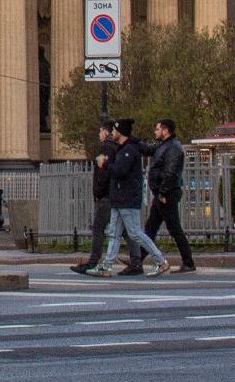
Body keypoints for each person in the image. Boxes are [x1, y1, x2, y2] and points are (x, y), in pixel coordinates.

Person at [85, 117, 170, 277]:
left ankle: (160, 261)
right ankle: (107, 265)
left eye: (115, 130)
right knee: (114, 234)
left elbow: (120, 171)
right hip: (119, 198)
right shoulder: (123, 148)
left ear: (121, 132)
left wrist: (105, 164)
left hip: (127, 199)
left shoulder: (129, 150)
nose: (112, 133)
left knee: (135, 233)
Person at [130, 117, 197, 274]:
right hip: (161, 193)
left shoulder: (173, 148)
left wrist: (163, 192)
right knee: (150, 227)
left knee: (174, 228)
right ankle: (138, 259)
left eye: (158, 129)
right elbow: (147, 149)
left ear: (166, 131)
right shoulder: (163, 145)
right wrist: (131, 139)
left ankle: (188, 262)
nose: (155, 131)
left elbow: (171, 173)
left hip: (167, 194)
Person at [72, 122, 138, 277]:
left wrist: (99, 192)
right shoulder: (118, 147)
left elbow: (104, 174)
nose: (99, 134)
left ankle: (94, 261)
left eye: (100, 131)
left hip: (107, 196)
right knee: (127, 231)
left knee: (99, 228)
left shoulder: (107, 147)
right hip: (116, 194)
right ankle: (136, 261)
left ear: (106, 131)